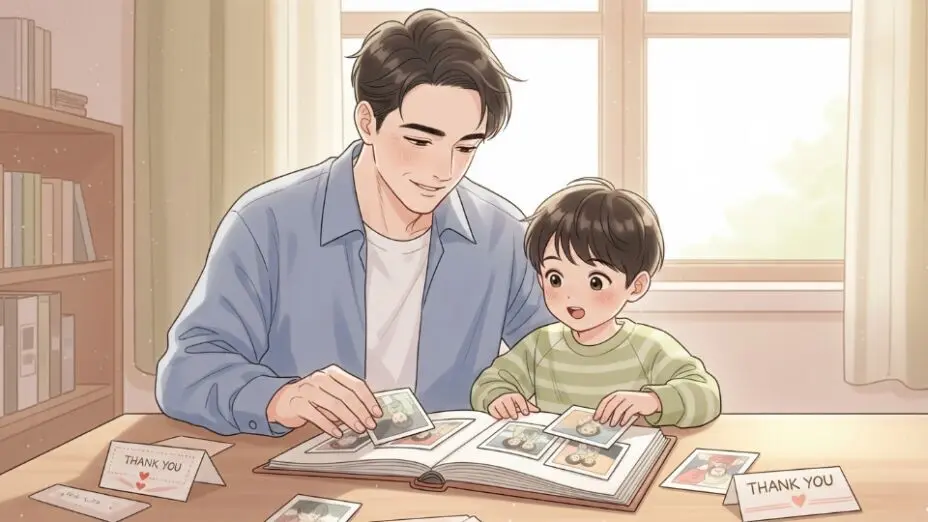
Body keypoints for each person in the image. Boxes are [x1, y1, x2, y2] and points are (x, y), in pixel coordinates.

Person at [155, 9, 554, 438]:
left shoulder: (503, 237)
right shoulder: (266, 223)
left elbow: (565, 355)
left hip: (445, 484)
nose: (443, 170)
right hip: (299, 479)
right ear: (367, 122)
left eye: (465, 147)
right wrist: (279, 398)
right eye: (420, 141)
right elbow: (185, 372)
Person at [470, 178, 722, 429]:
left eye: (596, 282)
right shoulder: (540, 345)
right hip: (554, 462)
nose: (572, 296)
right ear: (540, 278)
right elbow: (489, 382)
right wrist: (500, 397)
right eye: (556, 278)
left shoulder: (649, 347)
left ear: (636, 286)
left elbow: (707, 395)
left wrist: (654, 400)